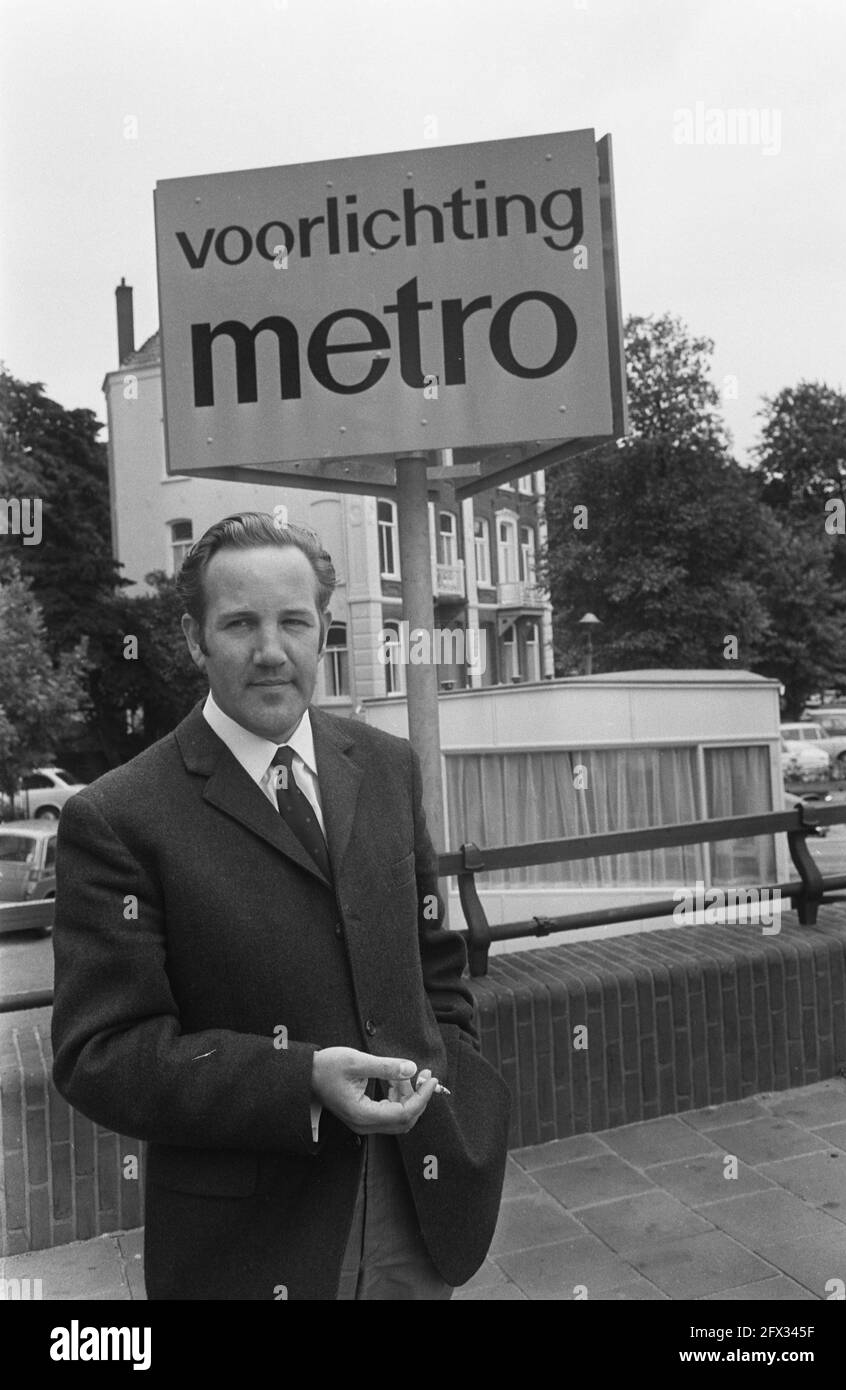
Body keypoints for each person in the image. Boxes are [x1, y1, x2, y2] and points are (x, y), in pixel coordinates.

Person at [51, 511, 510, 1300]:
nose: (271, 650)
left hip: (418, 1203)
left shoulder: (386, 765)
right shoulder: (118, 816)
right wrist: (297, 1082)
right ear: (195, 639)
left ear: (323, 627)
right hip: (250, 1247)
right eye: (239, 623)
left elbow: (436, 960)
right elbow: (100, 1054)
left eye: (294, 621)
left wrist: (454, 1073)